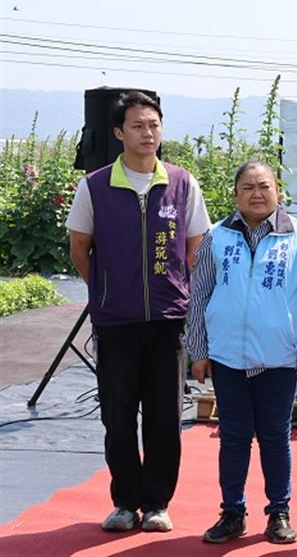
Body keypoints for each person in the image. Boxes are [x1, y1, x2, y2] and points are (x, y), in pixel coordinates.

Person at [66, 90, 211, 532]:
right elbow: (80, 247)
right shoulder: (95, 186)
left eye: (154, 125)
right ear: (118, 133)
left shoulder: (182, 183)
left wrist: (176, 289)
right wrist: (106, 290)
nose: (148, 133)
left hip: (167, 321)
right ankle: (125, 503)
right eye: (137, 126)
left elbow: (195, 247)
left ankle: (158, 503)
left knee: (165, 418)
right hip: (115, 322)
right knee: (118, 416)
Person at [185, 161, 297, 545]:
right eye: (247, 187)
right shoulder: (216, 237)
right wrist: (198, 350)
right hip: (227, 356)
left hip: (279, 358)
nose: (257, 194)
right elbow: (199, 296)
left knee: (275, 437)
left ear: (278, 191)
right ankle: (232, 512)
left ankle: (279, 512)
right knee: (233, 437)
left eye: (264, 186)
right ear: (235, 194)